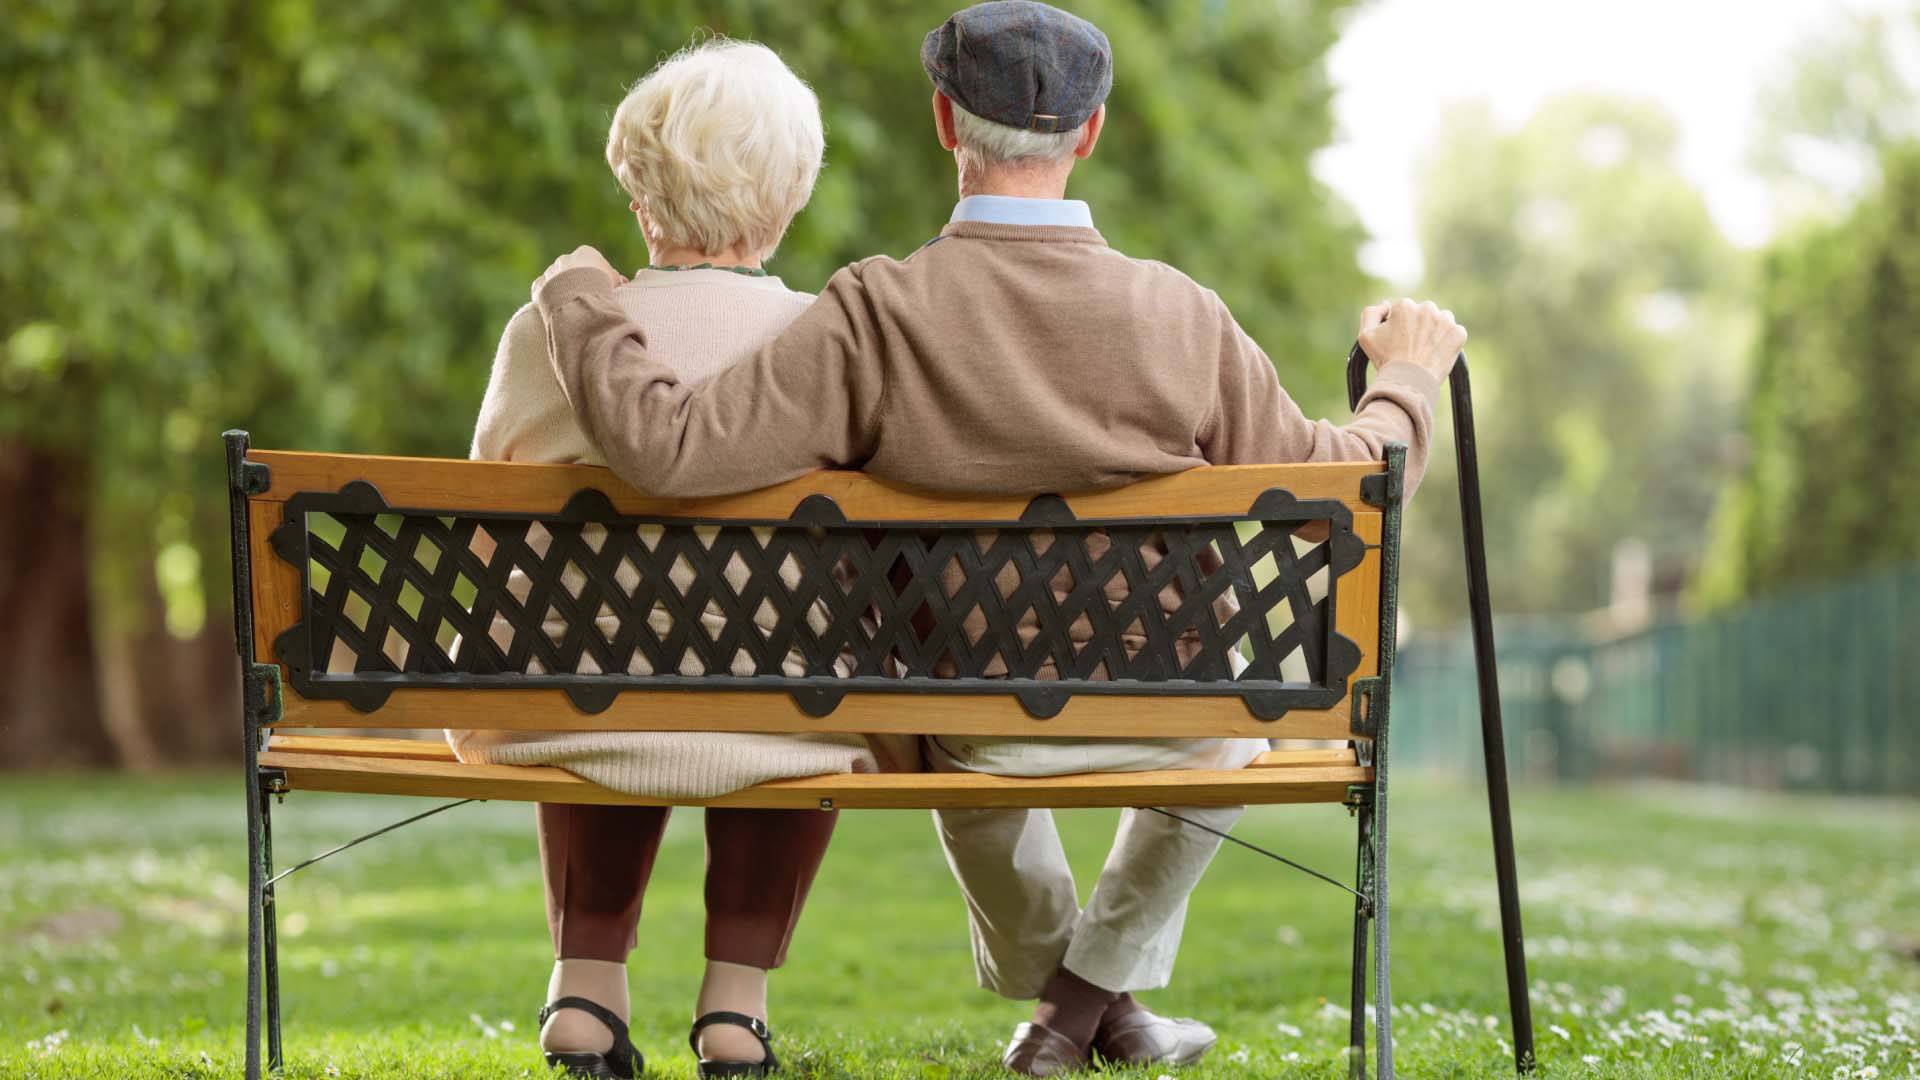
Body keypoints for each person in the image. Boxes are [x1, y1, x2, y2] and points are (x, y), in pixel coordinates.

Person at [527, 3, 1466, 1072]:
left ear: (943, 121)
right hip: (1175, 713)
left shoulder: (877, 310)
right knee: (1236, 717)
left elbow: (676, 452)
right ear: (1092, 132)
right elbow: (1355, 485)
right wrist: (1407, 378)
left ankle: (1075, 1008)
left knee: (954, 695)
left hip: (969, 723)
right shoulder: (1182, 316)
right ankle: (1087, 1003)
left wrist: (584, 304)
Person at [448, 39, 915, 1079]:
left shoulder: (553, 332)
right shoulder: (824, 338)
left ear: (638, 187)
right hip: (782, 724)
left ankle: (583, 991)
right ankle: (733, 1010)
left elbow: (482, 516)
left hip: (572, 710)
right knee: (790, 666)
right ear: (791, 194)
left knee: (586, 649)